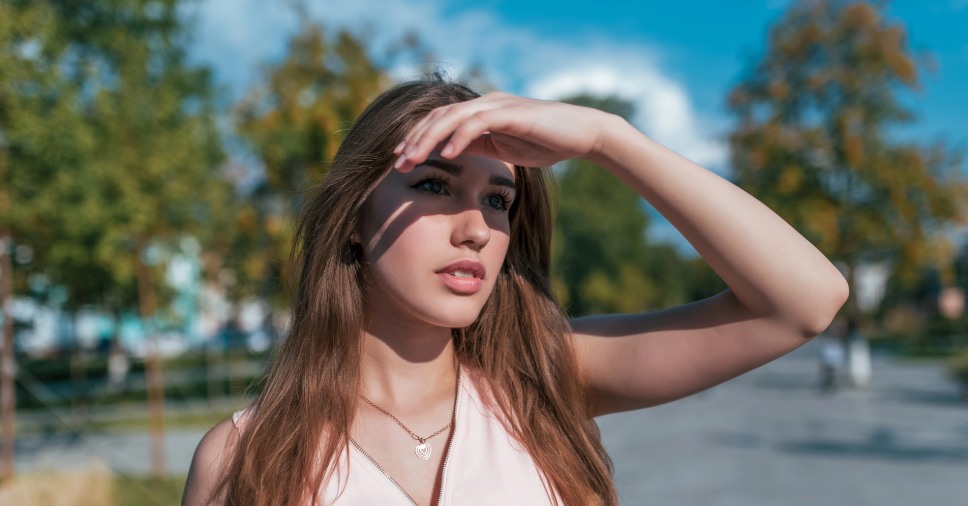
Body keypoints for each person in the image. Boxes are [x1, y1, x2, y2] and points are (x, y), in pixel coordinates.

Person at [182, 79, 848, 506]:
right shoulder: (248, 457)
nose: (476, 228)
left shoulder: (540, 380)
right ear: (355, 220)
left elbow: (802, 301)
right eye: (434, 186)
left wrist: (605, 138)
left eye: (498, 201)